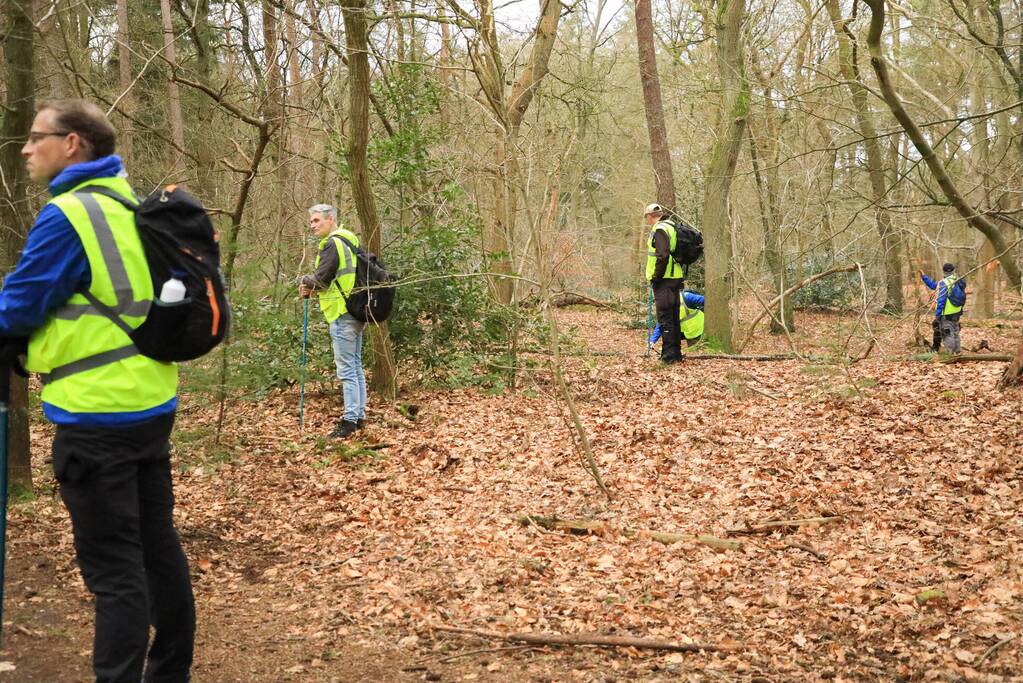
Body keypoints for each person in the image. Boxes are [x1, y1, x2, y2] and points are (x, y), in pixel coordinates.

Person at [4, 99, 194, 682]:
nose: (26, 148)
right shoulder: (128, 205)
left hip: (95, 416)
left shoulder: (69, 215)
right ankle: (170, 674)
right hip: (149, 402)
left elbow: (19, 304)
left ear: (73, 144)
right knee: (158, 551)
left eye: (37, 137)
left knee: (115, 572)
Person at [299, 204, 367, 438]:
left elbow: (321, 279)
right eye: (311, 222)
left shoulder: (333, 243)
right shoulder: (351, 239)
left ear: (331, 220)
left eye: (317, 221)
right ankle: (358, 417)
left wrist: (305, 281)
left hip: (341, 311)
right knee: (355, 367)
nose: (313, 226)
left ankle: (349, 421)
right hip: (356, 310)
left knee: (348, 370)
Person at [644, 203, 685, 363]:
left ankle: (668, 357)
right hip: (675, 277)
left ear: (650, 216)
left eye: (646, 217)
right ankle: (676, 354)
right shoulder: (671, 226)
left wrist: (656, 276)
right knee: (673, 316)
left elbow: (662, 255)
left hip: (664, 279)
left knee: (665, 316)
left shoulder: (660, 229)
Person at [920, 263, 966, 354]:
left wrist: (938, 314)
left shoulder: (944, 283)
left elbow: (941, 300)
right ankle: (957, 352)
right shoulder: (958, 280)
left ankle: (950, 353)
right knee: (955, 332)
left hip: (946, 313)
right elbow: (934, 286)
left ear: (944, 271)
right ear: (953, 271)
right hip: (957, 311)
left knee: (947, 333)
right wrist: (924, 277)